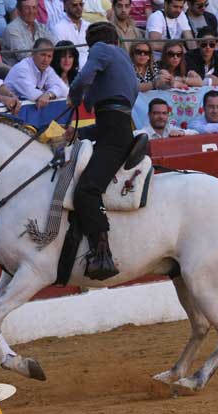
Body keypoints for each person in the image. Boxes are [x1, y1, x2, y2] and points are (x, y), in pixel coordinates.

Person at [68, 22, 139, 280]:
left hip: (114, 134)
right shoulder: (127, 65)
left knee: (86, 190)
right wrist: (79, 134)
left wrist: (74, 96)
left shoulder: (101, 48)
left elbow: (83, 79)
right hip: (117, 130)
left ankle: (102, 253)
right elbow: (111, 120)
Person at [5, 37, 68, 108]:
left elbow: (64, 89)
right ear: (33, 53)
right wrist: (49, 93)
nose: (46, 59)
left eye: (49, 56)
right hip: (5, 110)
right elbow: (32, 94)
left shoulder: (48, 69)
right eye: (43, 55)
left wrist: (49, 95)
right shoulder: (22, 68)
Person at [2, 0, 54, 66]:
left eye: (34, 7)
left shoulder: (42, 27)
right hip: (19, 71)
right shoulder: (11, 30)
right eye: (27, 8)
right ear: (19, 11)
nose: (31, 11)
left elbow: (55, 46)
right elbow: (23, 57)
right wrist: (46, 56)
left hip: (40, 69)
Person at [51, 0, 90, 69]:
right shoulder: (59, 28)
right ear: (65, 6)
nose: (79, 8)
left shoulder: (89, 26)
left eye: (81, 4)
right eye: (74, 5)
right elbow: (61, 59)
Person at [134, 97, 198, 139]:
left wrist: (181, 133)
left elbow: (196, 133)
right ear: (149, 115)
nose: (161, 117)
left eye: (164, 113)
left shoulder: (171, 129)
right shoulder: (141, 134)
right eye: (157, 113)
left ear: (168, 115)